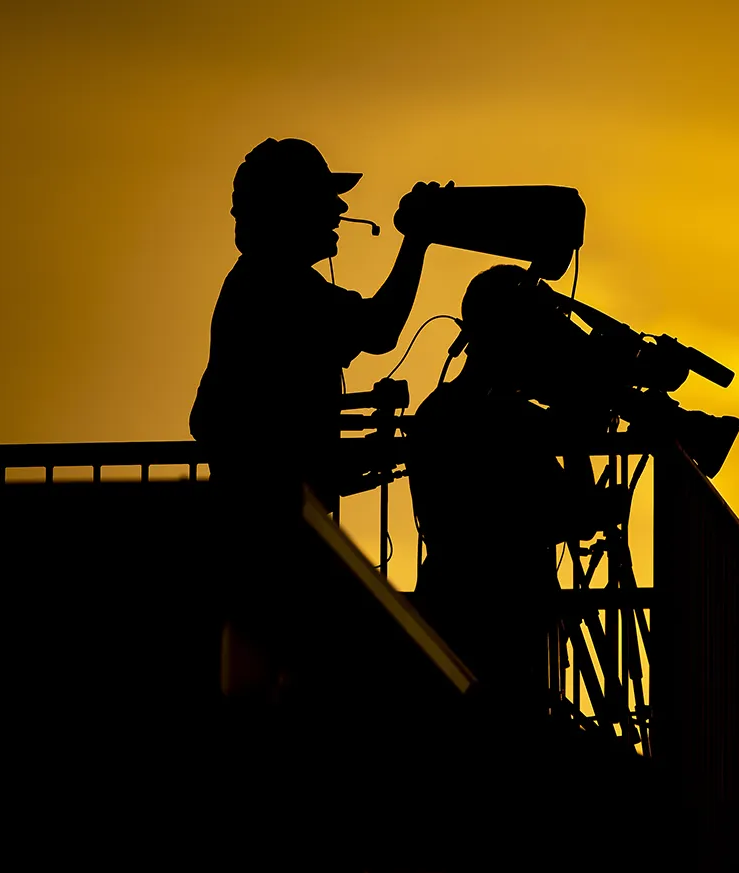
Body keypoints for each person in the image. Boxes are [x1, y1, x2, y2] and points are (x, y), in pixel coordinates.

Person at [191, 137, 442, 510]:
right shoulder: (281, 287)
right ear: (291, 210)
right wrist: (417, 239)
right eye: (324, 197)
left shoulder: (259, 281)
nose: (340, 207)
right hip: (271, 519)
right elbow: (380, 329)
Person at [407, 265, 614, 699]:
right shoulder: (512, 419)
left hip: (445, 608)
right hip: (511, 628)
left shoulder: (436, 410)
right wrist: (577, 432)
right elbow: (574, 517)